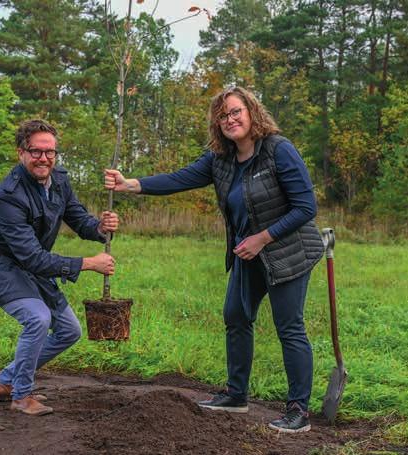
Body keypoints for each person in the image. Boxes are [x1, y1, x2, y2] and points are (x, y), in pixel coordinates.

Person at [104, 87, 324, 433]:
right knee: (235, 316)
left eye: (235, 111)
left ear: (252, 112)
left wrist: (262, 238)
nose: (229, 120)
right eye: (222, 116)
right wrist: (129, 184)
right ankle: (237, 396)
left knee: (289, 327)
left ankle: (298, 411)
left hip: (288, 252)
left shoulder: (279, 150)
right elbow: (179, 179)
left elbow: (305, 208)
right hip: (246, 254)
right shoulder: (220, 160)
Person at [0, 119, 118, 416]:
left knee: (69, 330)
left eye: (50, 152)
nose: (44, 158)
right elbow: (32, 257)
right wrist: (88, 264)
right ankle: (21, 395)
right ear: (21, 153)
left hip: (31, 266)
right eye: (36, 151)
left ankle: (7, 380)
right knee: (37, 319)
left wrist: (101, 227)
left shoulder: (60, 181)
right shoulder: (8, 196)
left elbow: (79, 219)